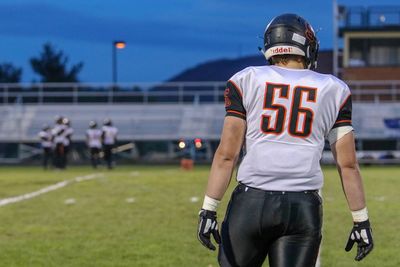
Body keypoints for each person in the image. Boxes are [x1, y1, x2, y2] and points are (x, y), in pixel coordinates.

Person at [197, 14, 374, 267]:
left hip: (251, 203)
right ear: (307, 46)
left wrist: (209, 208)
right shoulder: (334, 89)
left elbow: (227, 155)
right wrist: (361, 219)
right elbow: (347, 165)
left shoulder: (246, 79)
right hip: (302, 207)